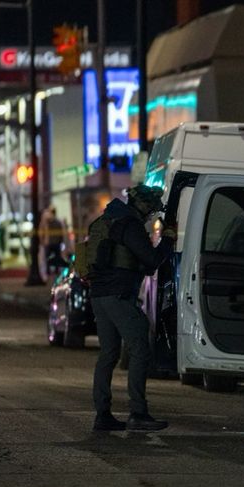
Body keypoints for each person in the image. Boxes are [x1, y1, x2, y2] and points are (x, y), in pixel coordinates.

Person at [87, 184, 177, 432]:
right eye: (151, 210)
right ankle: (138, 412)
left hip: (99, 295)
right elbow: (152, 260)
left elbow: (140, 264)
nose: (151, 215)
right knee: (140, 347)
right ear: (144, 205)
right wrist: (168, 240)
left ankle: (103, 415)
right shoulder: (130, 225)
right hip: (118, 295)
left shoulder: (108, 220)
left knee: (108, 353)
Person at [39, 206, 67, 277]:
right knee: (56, 257)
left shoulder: (47, 222)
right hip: (55, 242)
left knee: (48, 257)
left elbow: (42, 232)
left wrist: (42, 240)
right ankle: (55, 271)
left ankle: (49, 271)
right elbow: (61, 232)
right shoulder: (57, 221)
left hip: (49, 243)